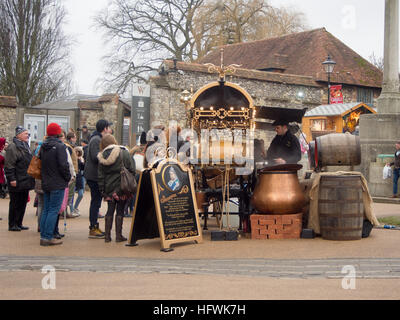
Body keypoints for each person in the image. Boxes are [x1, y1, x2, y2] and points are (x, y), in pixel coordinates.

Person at [98, 134, 135, 242]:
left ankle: (107, 236)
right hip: (122, 187)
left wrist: (102, 190)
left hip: (108, 188)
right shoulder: (123, 152)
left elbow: (100, 175)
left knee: (109, 211)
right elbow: (131, 169)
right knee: (120, 211)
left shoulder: (102, 155)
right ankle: (118, 236)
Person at [39, 123, 71, 246]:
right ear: (58, 133)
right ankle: (48, 237)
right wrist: (67, 177)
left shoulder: (43, 146)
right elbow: (63, 165)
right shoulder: (60, 146)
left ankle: (44, 235)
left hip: (46, 181)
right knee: (53, 210)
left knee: (46, 210)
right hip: (57, 182)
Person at [84, 119, 113, 239]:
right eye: (109, 127)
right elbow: (95, 157)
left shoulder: (96, 138)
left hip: (94, 175)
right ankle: (93, 228)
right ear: (105, 128)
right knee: (95, 202)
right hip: (93, 176)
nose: (110, 130)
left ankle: (94, 226)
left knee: (96, 202)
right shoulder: (96, 139)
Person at [5, 126, 35, 231]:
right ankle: (12, 224)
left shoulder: (25, 145)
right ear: (19, 135)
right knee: (15, 202)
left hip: (25, 179)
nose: (28, 135)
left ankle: (19, 222)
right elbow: (9, 165)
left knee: (22, 202)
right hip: (17, 179)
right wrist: (12, 179)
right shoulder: (13, 147)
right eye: (25, 133)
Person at [65, 131, 79, 218]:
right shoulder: (68, 147)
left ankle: (66, 211)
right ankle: (65, 212)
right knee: (68, 194)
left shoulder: (70, 147)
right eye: (74, 137)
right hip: (70, 174)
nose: (76, 139)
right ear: (71, 138)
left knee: (70, 194)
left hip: (72, 173)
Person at [72, 147, 85, 215]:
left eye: (79, 152)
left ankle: (75, 207)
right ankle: (71, 210)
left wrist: (82, 161)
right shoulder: (72, 158)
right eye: (76, 152)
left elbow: (83, 168)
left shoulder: (81, 159)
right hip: (73, 177)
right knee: (71, 195)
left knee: (81, 194)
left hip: (80, 177)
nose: (77, 153)